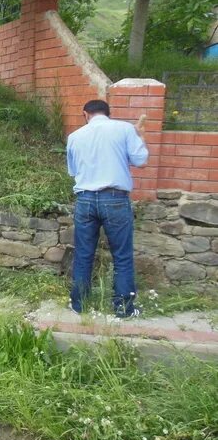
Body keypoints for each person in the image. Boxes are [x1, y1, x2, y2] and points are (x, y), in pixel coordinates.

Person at [66, 100, 148, 318]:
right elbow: (141, 160)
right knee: (121, 256)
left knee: (83, 255)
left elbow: (73, 171)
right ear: (108, 113)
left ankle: (78, 306)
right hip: (115, 199)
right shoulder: (125, 129)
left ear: (86, 114)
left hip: (84, 199)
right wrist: (140, 137)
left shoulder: (74, 137)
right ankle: (123, 309)